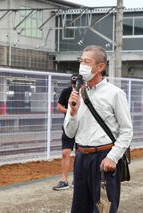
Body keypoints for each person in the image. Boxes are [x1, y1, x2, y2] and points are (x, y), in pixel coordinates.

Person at [64, 45, 133, 213]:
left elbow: (126, 130)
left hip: (103, 158)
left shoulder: (115, 94)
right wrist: (72, 112)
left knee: (104, 209)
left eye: (87, 62)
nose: (82, 66)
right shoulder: (77, 94)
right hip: (81, 158)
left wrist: (113, 157)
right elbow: (69, 132)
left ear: (100, 67)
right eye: (81, 61)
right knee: (80, 208)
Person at [52, 73, 83, 190]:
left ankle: (77, 179)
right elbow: (59, 107)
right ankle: (64, 180)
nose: (75, 86)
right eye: (73, 84)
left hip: (81, 127)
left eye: (78, 84)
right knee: (65, 153)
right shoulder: (66, 92)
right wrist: (70, 111)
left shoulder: (85, 93)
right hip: (68, 125)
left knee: (78, 154)